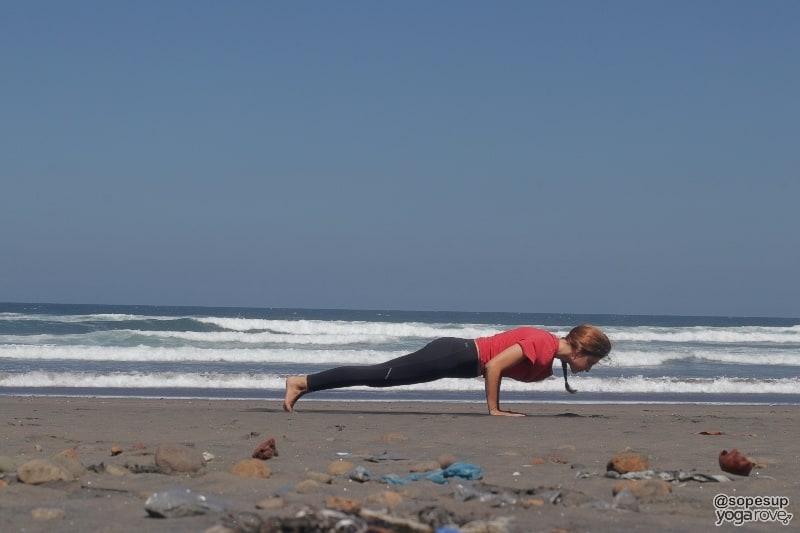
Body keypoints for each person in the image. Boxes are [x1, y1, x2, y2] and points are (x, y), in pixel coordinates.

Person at [283, 324, 611, 416]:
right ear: (581, 350)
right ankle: (302, 382)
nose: (589, 369)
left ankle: (305, 384)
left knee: (379, 378)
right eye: (592, 362)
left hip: (457, 357)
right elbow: (494, 365)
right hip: (456, 355)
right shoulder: (544, 344)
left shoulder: (549, 350)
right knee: (378, 375)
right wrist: (494, 410)